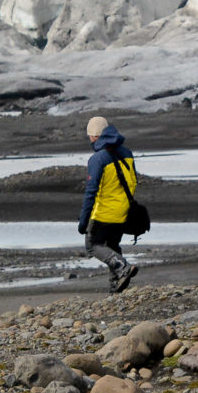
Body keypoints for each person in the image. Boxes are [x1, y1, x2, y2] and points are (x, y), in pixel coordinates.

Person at [77, 115, 141, 292]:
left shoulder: (98, 159)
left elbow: (91, 192)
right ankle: (116, 286)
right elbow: (133, 181)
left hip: (104, 212)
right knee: (112, 246)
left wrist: (83, 221)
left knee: (93, 246)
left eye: (90, 135)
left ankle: (123, 267)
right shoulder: (127, 153)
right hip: (123, 211)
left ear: (94, 136)